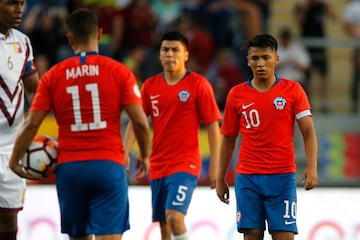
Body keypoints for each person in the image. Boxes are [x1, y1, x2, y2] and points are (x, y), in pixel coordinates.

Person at [9, 8, 150, 240]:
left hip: (70, 168)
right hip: (108, 165)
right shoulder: (120, 72)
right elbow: (141, 123)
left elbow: (32, 124)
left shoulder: (53, 76)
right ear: (99, 34)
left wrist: (15, 160)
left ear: (70, 39)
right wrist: (144, 156)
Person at [216, 34, 318, 240]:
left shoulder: (293, 90)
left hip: (281, 176)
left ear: (276, 59)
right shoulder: (236, 94)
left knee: (284, 236)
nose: (260, 63)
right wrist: (220, 177)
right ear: (248, 61)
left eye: (265, 57)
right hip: (247, 176)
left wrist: (312, 166)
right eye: (255, 58)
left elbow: (308, 132)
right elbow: (228, 138)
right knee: (251, 235)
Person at [123, 31, 221, 240]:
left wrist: (216, 165)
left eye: (175, 50)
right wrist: (125, 151)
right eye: (165, 50)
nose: (169, 54)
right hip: (158, 165)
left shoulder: (198, 84)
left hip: (185, 164)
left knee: (175, 217)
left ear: (186, 55)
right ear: (159, 55)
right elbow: (137, 122)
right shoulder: (150, 86)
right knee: (165, 228)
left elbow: (213, 126)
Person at [0, 0, 39, 239]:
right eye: (12, 3)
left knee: (8, 221)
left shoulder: (22, 41)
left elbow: (35, 87)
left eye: (22, 3)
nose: (19, 9)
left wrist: (32, 118)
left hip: (12, 148)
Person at [294, 0, 339, 113]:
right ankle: (309, 104)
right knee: (308, 78)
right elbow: (299, 22)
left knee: (323, 75)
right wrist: (304, 9)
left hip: (320, 46)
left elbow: (335, 18)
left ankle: (324, 104)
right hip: (307, 46)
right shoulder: (301, 6)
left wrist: (327, 8)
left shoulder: (320, 6)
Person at [276, 28, 311, 95]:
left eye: (287, 38)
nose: (285, 40)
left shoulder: (298, 48)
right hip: (280, 82)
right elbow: (271, 66)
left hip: (297, 81)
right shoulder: (276, 48)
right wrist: (285, 62)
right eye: (284, 38)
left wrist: (294, 63)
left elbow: (306, 67)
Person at [343, 0, 360, 113]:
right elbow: (346, 25)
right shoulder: (353, 7)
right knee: (356, 77)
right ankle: (354, 108)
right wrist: (355, 35)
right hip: (358, 47)